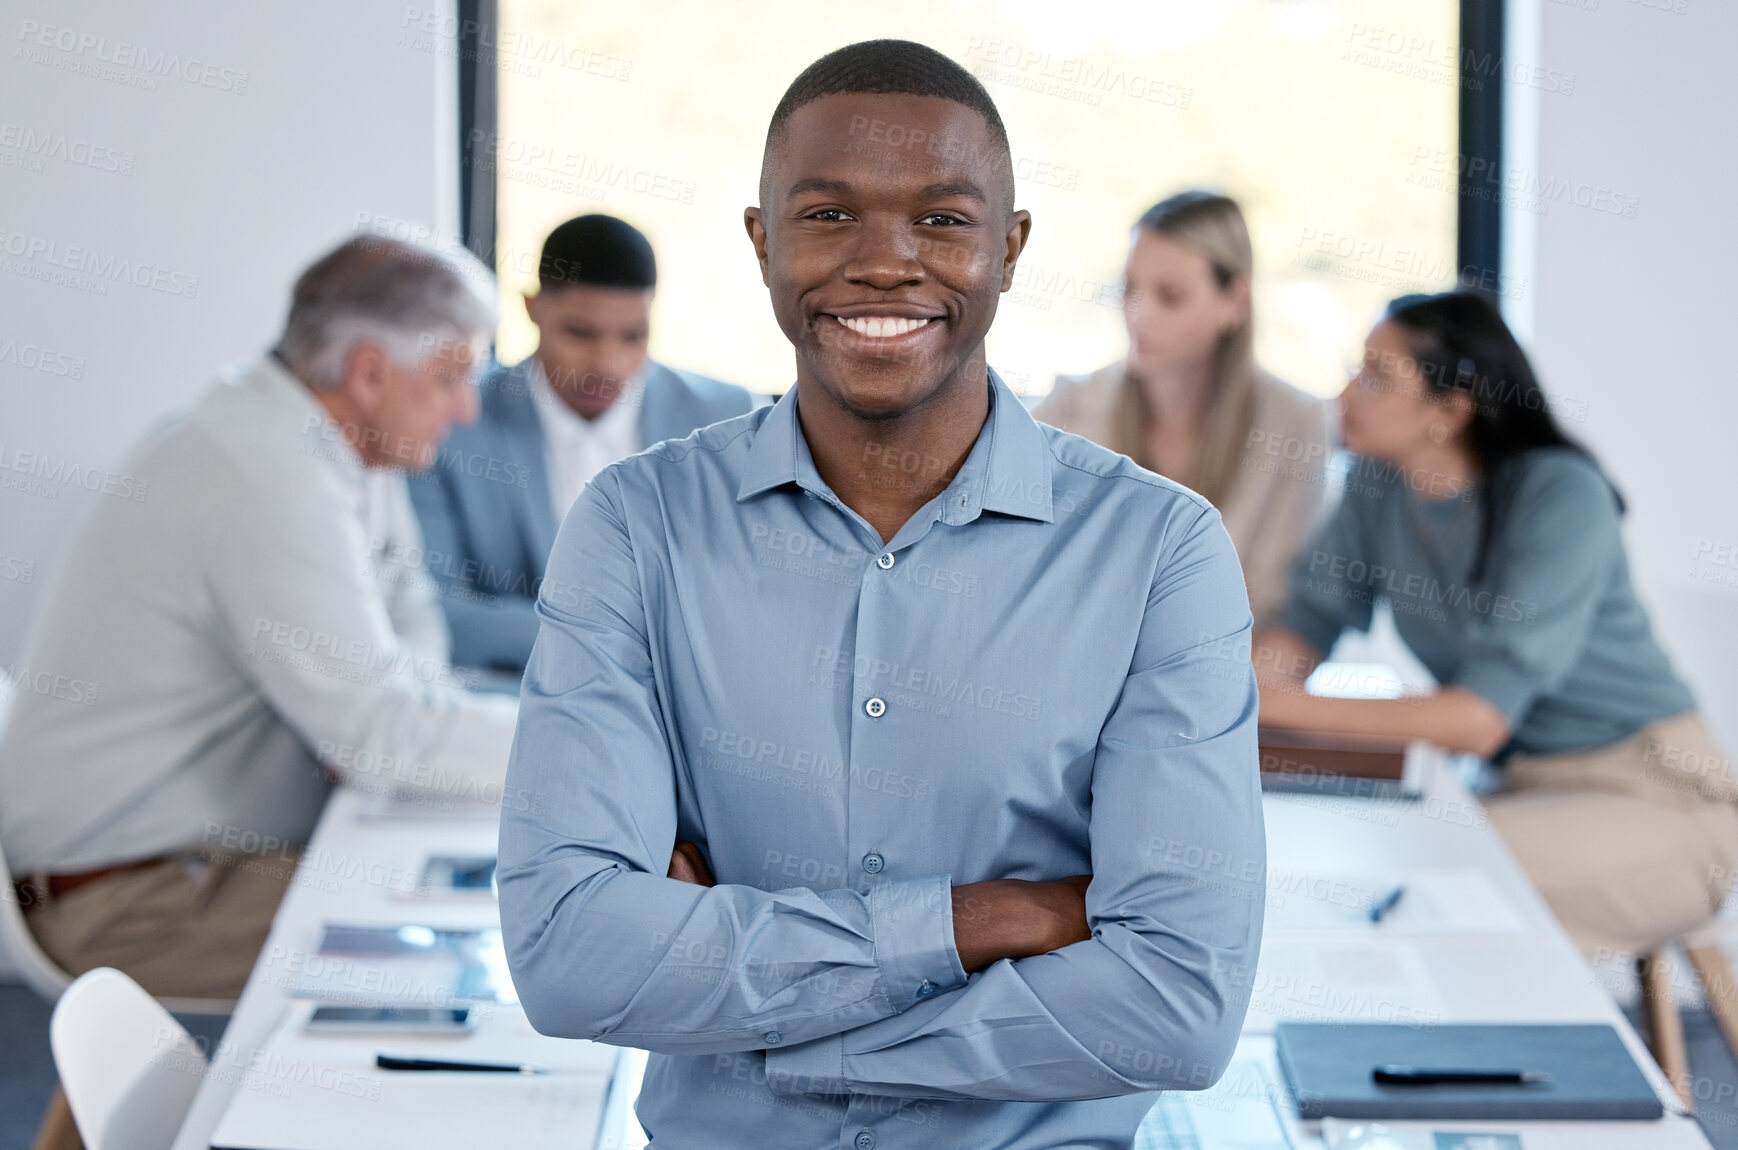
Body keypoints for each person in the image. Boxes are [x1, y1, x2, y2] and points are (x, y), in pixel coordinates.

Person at [498, 39, 1264, 1147]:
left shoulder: (1158, 551)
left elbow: (1177, 1008)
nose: (885, 263)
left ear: (1009, 249)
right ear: (762, 242)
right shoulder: (636, 526)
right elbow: (569, 958)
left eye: (944, 221)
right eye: (828, 217)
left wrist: (766, 1014)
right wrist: (988, 919)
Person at [0, 235, 519, 1001]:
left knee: (473, 923)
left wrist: (398, 721)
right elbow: (385, 736)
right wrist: (588, 746)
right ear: (371, 372)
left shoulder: (337, 446)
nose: (467, 408)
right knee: (459, 968)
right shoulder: (263, 472)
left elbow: (411, 631)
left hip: (207, 863)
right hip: (133, 902)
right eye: (452, 377)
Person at [1255, 290, 1736, 958]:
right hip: (1519, 789)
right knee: (1400, 861)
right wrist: (1243, 696)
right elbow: (1310, 618)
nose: (1345, 393)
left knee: (1430, 877)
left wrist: (1281, 707)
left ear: (1450, 411)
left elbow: (1477, 721)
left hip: (1657, 796)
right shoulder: (1377, 485)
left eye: (1375, 377)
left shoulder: (1562, 494)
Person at [408, 214, 758, 676]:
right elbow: (438, 612)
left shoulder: (725, 416)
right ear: (531, 309)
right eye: (581, 333)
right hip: (518, 704)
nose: (607, 365)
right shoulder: (455, 420)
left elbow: (750, 597)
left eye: (633, 336)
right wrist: (618, 642)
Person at [1034, 191, 1331, 625]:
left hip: (1220, 677)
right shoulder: (1068, 408)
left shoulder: (1297, 424)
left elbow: (1270, 603)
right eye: (1130, 289)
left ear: (1235, 302)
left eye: (1170, 297)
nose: (1139, 315)